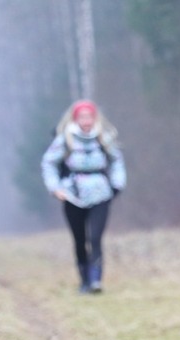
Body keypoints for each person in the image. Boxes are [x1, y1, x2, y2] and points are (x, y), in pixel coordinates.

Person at [41, 100, 126, 293]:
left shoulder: (104, 138)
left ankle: (96, 280)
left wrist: (117, 185)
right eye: (82, 117)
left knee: (95, 237)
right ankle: (84, 281)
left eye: (89, 116)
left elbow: (117, 161)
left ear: (95, 118)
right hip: (72, 195)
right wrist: (55, 188)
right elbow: (49, 163)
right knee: (79, 239)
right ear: (75, 119)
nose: (86, 121)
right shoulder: (65, 139)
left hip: (100, 194)